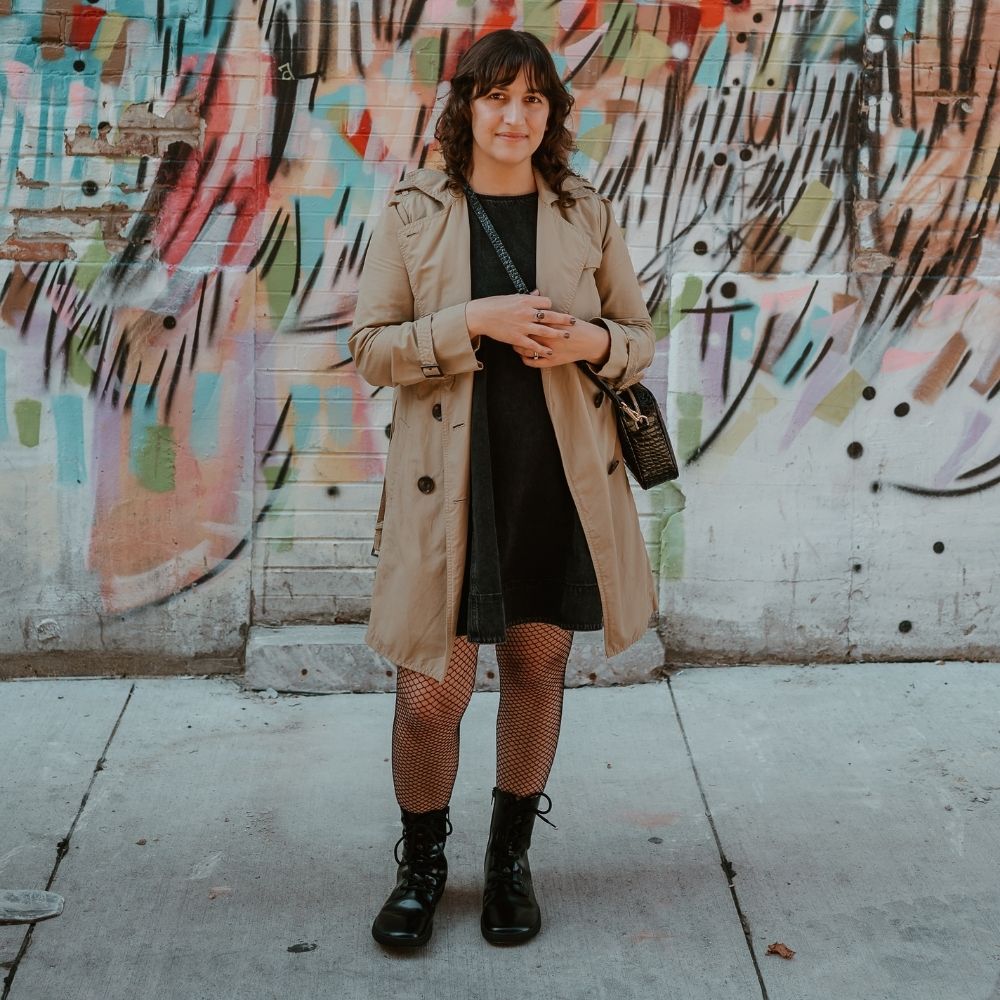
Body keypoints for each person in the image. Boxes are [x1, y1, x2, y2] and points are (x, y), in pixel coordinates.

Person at [349, 28, 658, 949]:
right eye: (496, 98)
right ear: (467, 109)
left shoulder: (584, 211)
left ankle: (511, 858)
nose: (514, 117)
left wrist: (591, 344)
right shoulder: (414, 211)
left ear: (551, 111)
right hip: (450, 489)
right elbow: (370, 349)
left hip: (555, 482)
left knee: (533, 670)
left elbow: (637, 335)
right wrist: (468, 322)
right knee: (428, 696)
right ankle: (421, 862)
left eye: (532, 100)